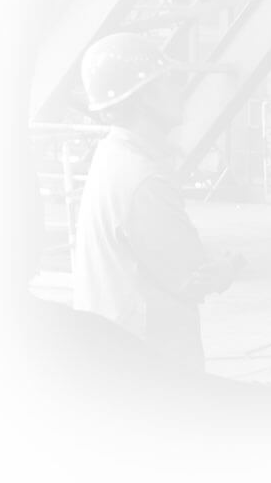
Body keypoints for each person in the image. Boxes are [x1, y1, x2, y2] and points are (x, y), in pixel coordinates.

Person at [72, 33, 245, 373]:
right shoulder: (143, 178)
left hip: (116, 349)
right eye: (168, 82)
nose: (179, 90)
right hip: (146, 361)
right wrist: (227, 267)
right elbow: (191, 276)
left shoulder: (114, 154)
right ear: (145, 97)